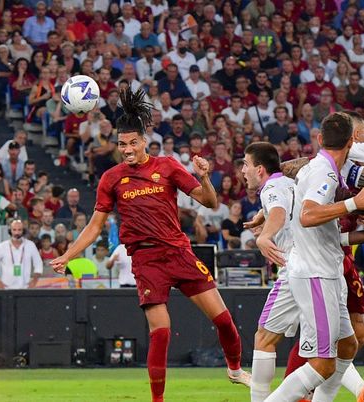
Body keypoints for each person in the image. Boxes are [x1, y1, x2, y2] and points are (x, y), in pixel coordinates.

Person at [50, 86, 250, 402]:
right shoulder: (111, 178)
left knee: (224, 320)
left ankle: (235, 369)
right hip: (146, 260)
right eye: (121, 144)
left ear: (144, 141)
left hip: (179, 252)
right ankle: (158, 400)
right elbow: (94, 226)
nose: (127, 149)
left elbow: (210, 202)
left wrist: (205, 177)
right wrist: (68, 255)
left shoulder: (167, 167)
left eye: (132, 143)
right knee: (161, 332)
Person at [264, 112, 364, 402]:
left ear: (320, 139)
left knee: (347, 345)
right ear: (350, 142)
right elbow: (308, 215)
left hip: (327, 270)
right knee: (322, 363)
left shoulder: (317, 166)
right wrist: (352, 203)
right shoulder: (324, 172)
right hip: (315, 275)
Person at [239, 142, 296, 402]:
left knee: (263, 339)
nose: (242, 171)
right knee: (330, 347)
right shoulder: (290, 183)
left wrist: (265, 237)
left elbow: (279, 212)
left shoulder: (271, 188)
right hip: (324, 267)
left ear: (260, 169)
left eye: (245, 165)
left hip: (294, 271)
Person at [0, 219, 42, 289]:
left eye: (19, 230)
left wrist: (34, 281)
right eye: (14, 230)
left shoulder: (30, 245)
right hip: (6, 289)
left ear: (23, 231)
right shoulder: (2, 246)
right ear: (10, 231)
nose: (17, 233)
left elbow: (38, 264)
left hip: (26, 288)